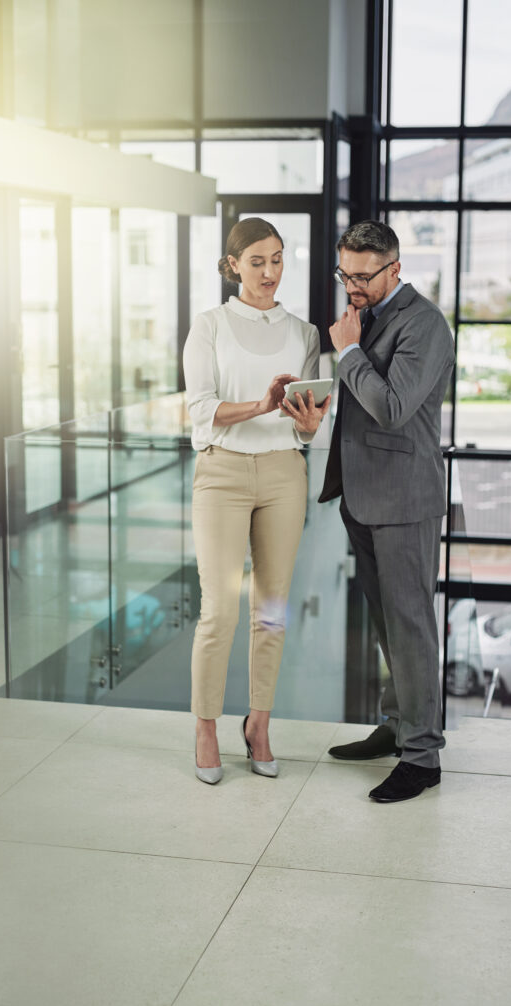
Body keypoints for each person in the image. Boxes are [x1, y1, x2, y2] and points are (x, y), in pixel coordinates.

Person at [184, 217, 330, 784]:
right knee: (218, 610)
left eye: (277, 259)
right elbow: (201, 410)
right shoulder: (210, 326)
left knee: (271, 610)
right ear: (233, 266)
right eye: (256, 262)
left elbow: (306, 428)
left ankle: (259, 724)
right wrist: (261, 404)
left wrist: (308, 424)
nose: (270, 272)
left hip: (282, 475)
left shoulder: (305, 332)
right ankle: (205, 728)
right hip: (221, 473)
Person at [319, 220, 454, 803]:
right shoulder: (366, 315)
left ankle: (422, 757)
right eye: (344, 273)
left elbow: (393, 407)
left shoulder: (424, 324)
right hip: (364, 495)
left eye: (363, 276)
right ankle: (397, 725)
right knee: (385, 625)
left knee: (411, 627)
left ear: (395, 269)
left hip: (404, 500)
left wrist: (347, 352)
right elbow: (355, 402)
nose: (352, 285)